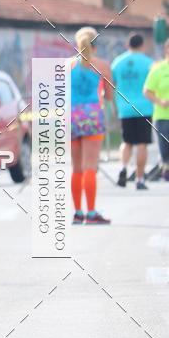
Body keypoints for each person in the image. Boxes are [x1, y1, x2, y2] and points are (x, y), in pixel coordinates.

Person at [70, 26, 114, 224]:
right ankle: (92, 212)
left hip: (71, 116)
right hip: (93, 115)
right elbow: (110, 95)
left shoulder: (67, 65)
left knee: (76, 167)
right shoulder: (103, 66)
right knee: (90, 166)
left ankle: (78, 213)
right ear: (94, 45)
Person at [111, 33, 154, 190]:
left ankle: (123, 168)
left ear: (127, 45)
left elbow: (111, 83)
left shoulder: (117, 62)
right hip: (144, 107)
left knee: (126, 142)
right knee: (141, 144)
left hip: (125, 107)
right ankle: (140, 179)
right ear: (142, 45)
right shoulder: (149, 63)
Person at [143, 39, 169, 182]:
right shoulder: (158, 69)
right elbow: (147, 91)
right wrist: (160, 101)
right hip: (163, 116)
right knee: (165, 149)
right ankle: (165, 169)